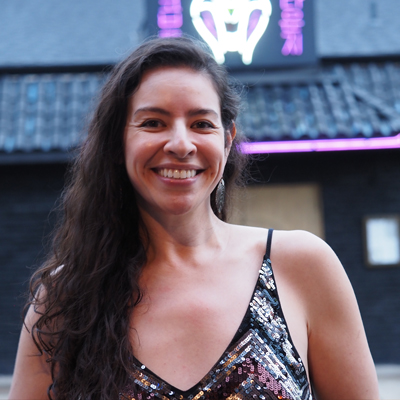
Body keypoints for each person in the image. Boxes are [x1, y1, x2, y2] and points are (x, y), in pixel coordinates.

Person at [9, 37, 379, 400]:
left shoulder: (301, 266)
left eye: (201, 123)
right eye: (153, 123)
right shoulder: (65, 299)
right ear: (117, 143)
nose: (181, 145)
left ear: (227, 139)